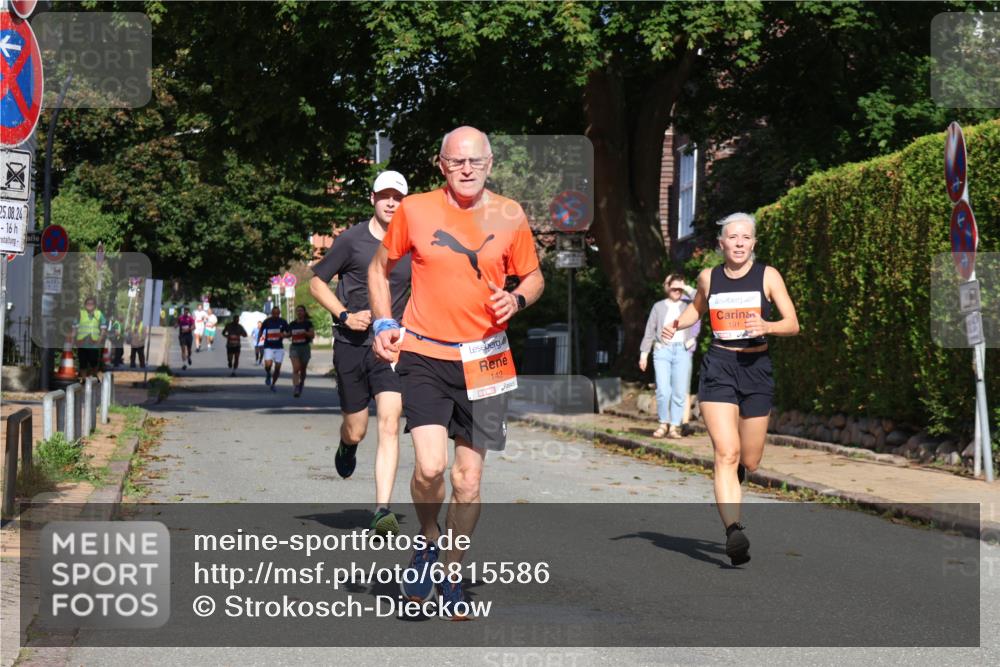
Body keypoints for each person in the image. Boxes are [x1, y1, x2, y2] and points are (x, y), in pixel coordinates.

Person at [370, 127, 543, 618]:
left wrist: (518, 296)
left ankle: (449, 571)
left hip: (486, 358)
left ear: (490, 163)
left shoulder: (509, 214)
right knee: (429, 468)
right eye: (457, 162)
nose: (467, 169)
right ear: (440, 164)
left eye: (476, 161)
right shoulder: (415, 210)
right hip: (424, 352)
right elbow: (379, 269)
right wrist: (384, 321)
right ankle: (428, 542)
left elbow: (533, 275)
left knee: (467, 480)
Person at [662, 212, 799, 566]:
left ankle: (735, 477)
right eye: (732, 238)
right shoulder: (709, 277)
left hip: (756, 369)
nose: (739, 243)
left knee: (749, 459)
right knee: (726, 452)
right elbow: (696, 311)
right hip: (719, 367)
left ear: (753, 243)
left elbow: (792, 324)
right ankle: (733, 531)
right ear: (721, 244)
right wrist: (676, 324)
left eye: (745, 238)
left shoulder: (767, 276)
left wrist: (767, 326)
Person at [310, 170, 412, 536]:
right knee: (358, 430)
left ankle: (382, 509)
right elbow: (316, 282)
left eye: (397, 197)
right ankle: (346, 444)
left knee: (389, 422)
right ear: (372, 199)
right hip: (352, 346)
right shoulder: (351, 240)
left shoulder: (413, 244)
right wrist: (344, 315)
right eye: (384, 196)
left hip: (391, 349)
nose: (390, 203)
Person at [639, 274, 700, 438]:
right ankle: (663, 423)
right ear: (666, 288)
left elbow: (701, 297)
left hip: (682, 351)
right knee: (663, 390)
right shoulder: (658, 307)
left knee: (680, 391)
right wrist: (644, 355)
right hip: (662, 350)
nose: (676, 291)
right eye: (673, 288)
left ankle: (674, 426)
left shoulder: (688, 305)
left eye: (679, 288)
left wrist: (685, 286)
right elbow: (649, 331)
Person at [257, 306, 290, 392]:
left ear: (279, 313)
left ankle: (273, 384)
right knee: (268, 365)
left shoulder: (283, 321)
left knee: (278, 368)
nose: (275, 315)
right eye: (274, 313)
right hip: (268, 346)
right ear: (271, 313)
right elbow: (261, 329)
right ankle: (268, 374)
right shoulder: (267, 321)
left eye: (277, 313)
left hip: (279, 347)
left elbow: (289, 332)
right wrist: (260, 337)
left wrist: (285, 335)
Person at [74, 297, 107, 378]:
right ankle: (84, 379)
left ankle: (93, 376)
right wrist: (73, 339)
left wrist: (100, 339)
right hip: (82, 342)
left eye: (91, 303)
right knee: (83, 362)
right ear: (85, 305)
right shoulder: (80, 314)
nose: (89, 305)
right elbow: (74, 327)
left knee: (94, 361)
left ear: (95, 305)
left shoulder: (99, 314)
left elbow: (103, 328)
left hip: (94, 343)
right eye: (88, 303)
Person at [287, 305, 316, 397]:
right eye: (298, 311)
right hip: (294, 347)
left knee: (302, 369)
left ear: (304, 312)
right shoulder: (292, 324)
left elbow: (312, 335)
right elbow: (288, 334)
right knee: (296, 368)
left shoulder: (308, 324)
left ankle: (301, 383)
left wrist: (305, 333)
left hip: (304, 347)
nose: (299, 312)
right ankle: (296, 387)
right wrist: (282, 335)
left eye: (301, 311)